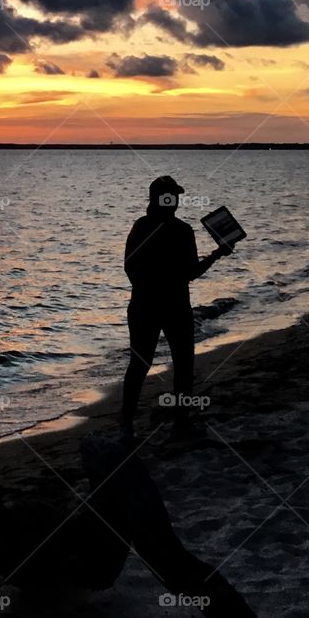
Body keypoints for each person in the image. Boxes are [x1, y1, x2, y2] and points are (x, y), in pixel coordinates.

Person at [121, 175, 232, 437]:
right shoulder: (174, 230)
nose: (176, 202)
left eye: (177, 197)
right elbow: (190, 272)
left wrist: (216, 254)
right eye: (172, 197)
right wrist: (216, 255)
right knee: (174, 364)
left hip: (152, 306)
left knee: (149, 364)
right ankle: (170, 423)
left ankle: (138, 424)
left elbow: (131, 267)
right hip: (166, 306)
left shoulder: (154, 227)